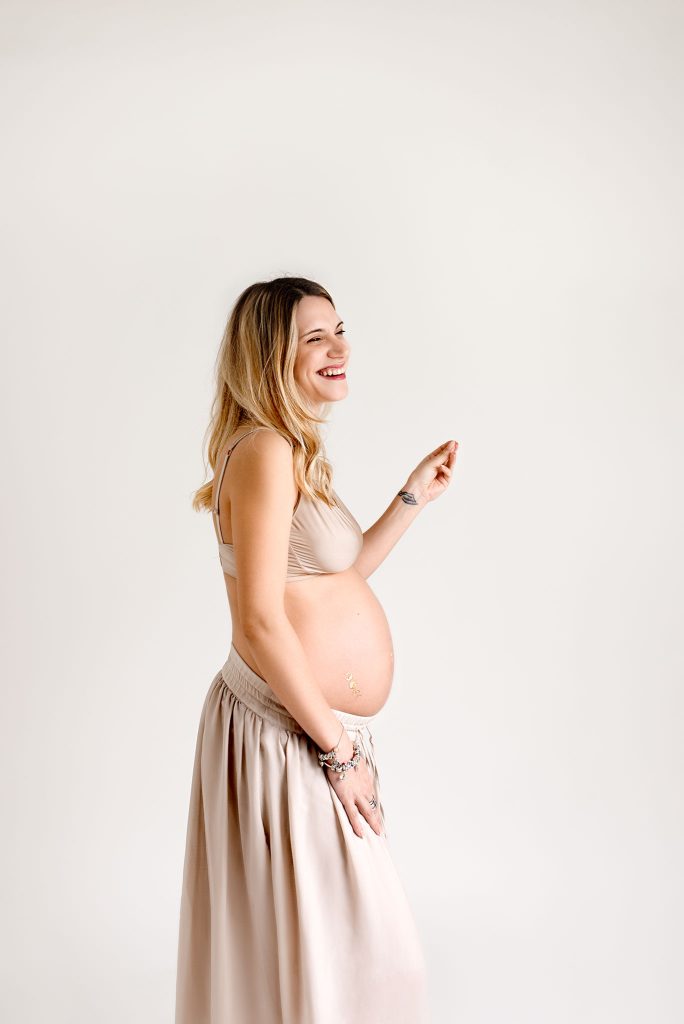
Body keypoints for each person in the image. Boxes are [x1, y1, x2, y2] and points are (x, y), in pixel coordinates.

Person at [174, 276, 458, 1024]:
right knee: (363, 952)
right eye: (315, 337)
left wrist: (411, 497)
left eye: (340, 330)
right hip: (285, 726)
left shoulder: (287, 450)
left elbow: (338, 578)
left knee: (331, 953)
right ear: (270, 356)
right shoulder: (265, 451)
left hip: (299, 724)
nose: (340, 349)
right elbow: (262, 623)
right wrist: (340, 754)